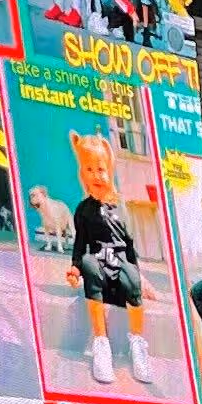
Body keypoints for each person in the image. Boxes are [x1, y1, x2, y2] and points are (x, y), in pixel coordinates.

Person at [67, 131, 149, 383]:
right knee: (90, 263)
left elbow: (129, 243)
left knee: (132, 278)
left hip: (120, 263)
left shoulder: (120, 206)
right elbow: (80, 244)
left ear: (109, 170)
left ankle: (137, 343)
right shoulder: (82, 210)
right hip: (98, 265)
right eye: (89, 169)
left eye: (100, 169)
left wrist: (141, 275)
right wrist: (75, 268)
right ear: (82, 174)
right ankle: (101, 343)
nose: (96, 175)